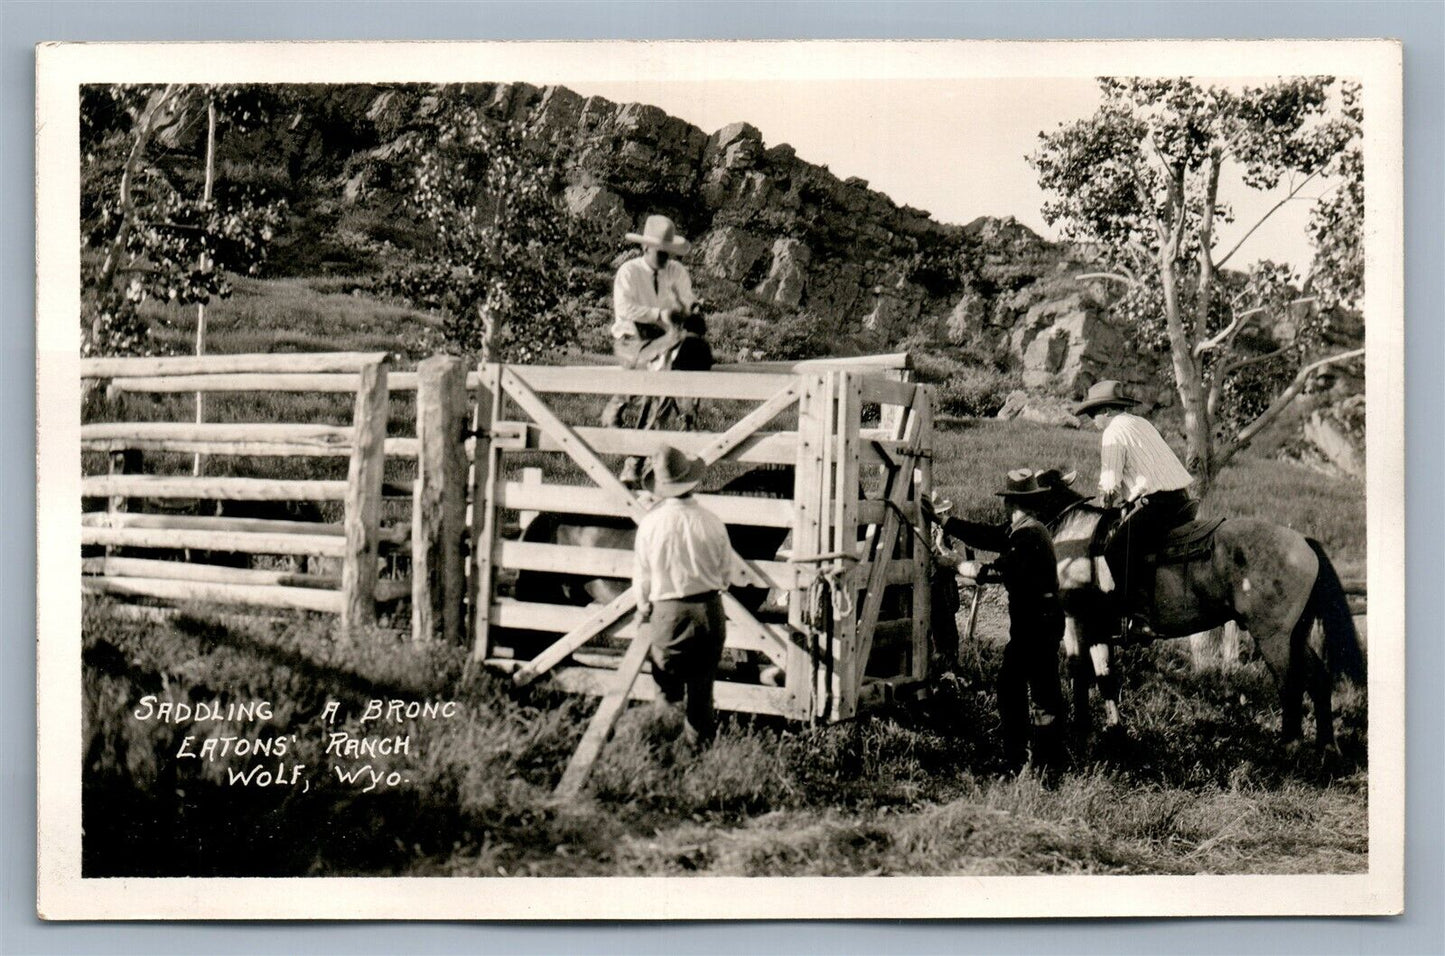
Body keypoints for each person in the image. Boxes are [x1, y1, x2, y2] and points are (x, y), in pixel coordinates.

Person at [923, 470, 1068, 773]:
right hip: (1043, 622)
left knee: (1014, 687)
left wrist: (954, 564)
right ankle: (1048, 761)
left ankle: (1022, 759)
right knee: (1042, 689)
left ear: (1009, 503)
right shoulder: (1026, 528)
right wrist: (943, 521)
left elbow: (996, 570)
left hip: (1036, 625)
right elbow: (985, 534)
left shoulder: (1027, 536)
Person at [632, 445, 733, 748]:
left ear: (661, 486)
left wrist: (643, 607)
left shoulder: (650, 523)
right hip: (708, 610)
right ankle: (698, 757)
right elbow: (726, 575)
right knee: (702, 694)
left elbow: (643, 577)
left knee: (666, 691)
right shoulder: (712, 521)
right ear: (691, 481)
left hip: (668, 612)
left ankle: (662, 756)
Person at [1073, 380, 1196, 618]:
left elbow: (1110, 486)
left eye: (1092, 413)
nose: (1092, 421)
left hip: (1158, 505)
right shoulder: (1141, 422)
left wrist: (1103, 506)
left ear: (1106, 411)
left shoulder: (1113, 432)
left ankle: (1137, 615)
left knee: (1116, 550)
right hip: (1182, 500)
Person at [602, 214, 711, 430]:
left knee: (683, 356)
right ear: (645, 249)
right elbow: (624, 309)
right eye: (660, 253)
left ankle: (672, 419)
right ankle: (621, 407)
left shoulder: (676, 271)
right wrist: (659, 314)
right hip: (631, 338)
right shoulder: (629, 271)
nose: (665, 258)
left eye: (667, 253)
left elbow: (687, 298)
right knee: (659, 365)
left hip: (665, 337)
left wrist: (691, 308)